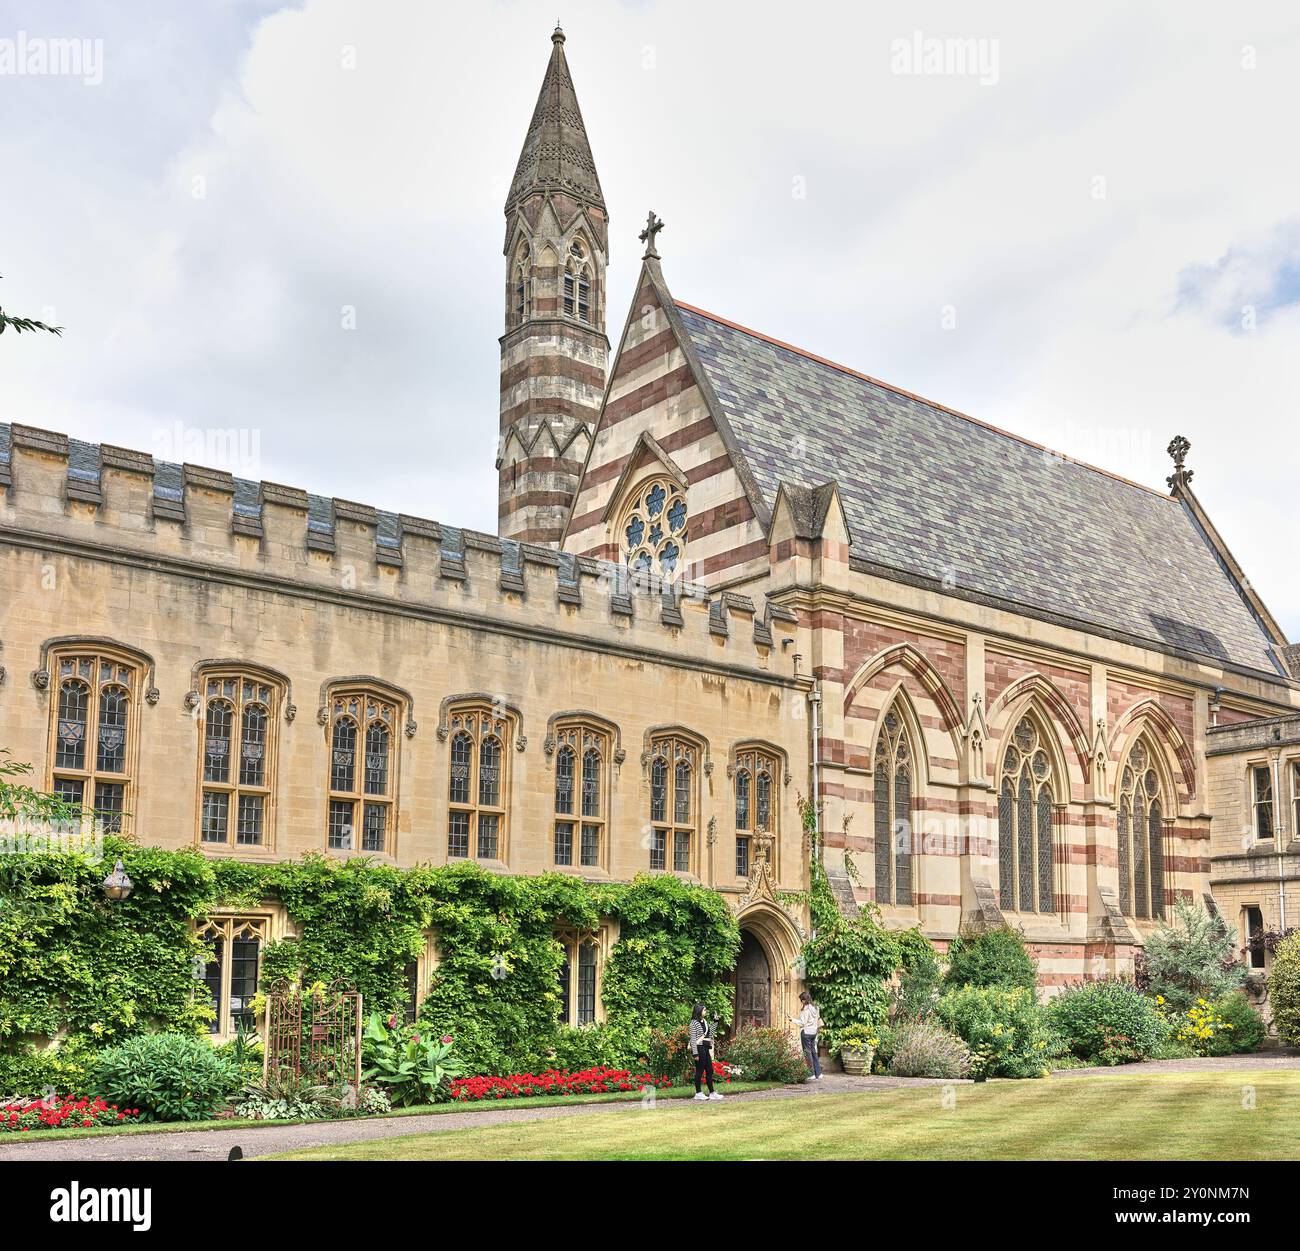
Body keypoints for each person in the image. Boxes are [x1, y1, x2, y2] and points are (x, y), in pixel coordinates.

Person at [688, 1002, 723, 1101]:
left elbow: (710, 1033)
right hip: (699, 1048)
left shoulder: (705, 1022)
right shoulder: (693, 1023)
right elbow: (693, 1039)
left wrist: (715, 1021)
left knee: (710, 1070)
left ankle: (712, 1093)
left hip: (705, 1047)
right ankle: (698, 1093)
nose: (706, 1011)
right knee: (699, 1071)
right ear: (699, 1011)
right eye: (704, 1010)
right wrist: (695, 1053)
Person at [791, 990, 822, 1079]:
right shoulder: (816, 1008)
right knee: (813, 1051)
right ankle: (818, 1073)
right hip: (814, 1032)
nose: (801, 1002)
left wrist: (792, 1020)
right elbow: (817, 1019)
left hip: (806, 1032)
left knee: (807, 1053)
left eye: (801, 1000)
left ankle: (811, 1073)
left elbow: (802, 1023)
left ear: (804, 1000)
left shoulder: (806, 1009)